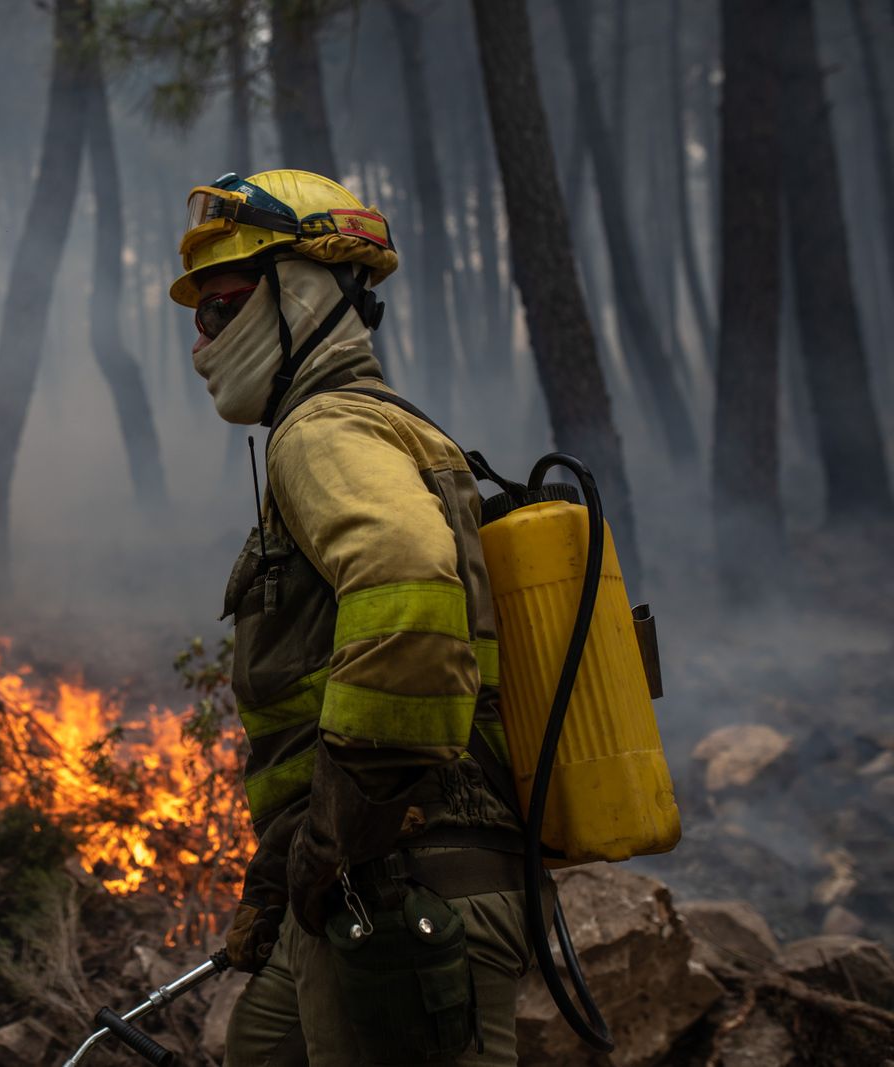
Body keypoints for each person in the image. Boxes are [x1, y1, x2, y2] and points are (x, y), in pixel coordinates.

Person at [172, 170, 536, 1066]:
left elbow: (409, 600)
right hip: (363, 883)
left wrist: (334, 837)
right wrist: (281, 869)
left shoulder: (322, 431)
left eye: (221, 306)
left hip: (404, 887)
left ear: (298, 293)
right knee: (261, 1047)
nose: (202, 337)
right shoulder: (372, 427)